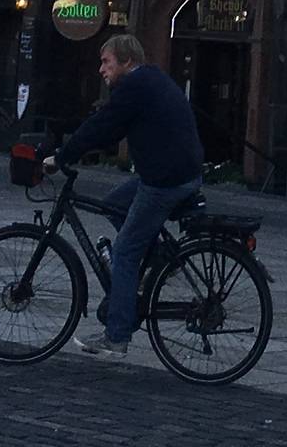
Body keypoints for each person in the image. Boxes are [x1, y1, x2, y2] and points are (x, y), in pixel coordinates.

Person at [46, 34, 202, 358]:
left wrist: (62, 157)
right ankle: (159, 256)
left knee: (126, 253)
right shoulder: (146, 81)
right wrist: (75, 149)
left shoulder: (135, 86)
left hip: (165, 181)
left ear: (127, 61)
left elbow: (102, 124)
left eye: (106, 62)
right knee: (113, 204)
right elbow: (109, 129)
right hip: (174, 172)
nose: (101, 69)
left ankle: (116, 336)